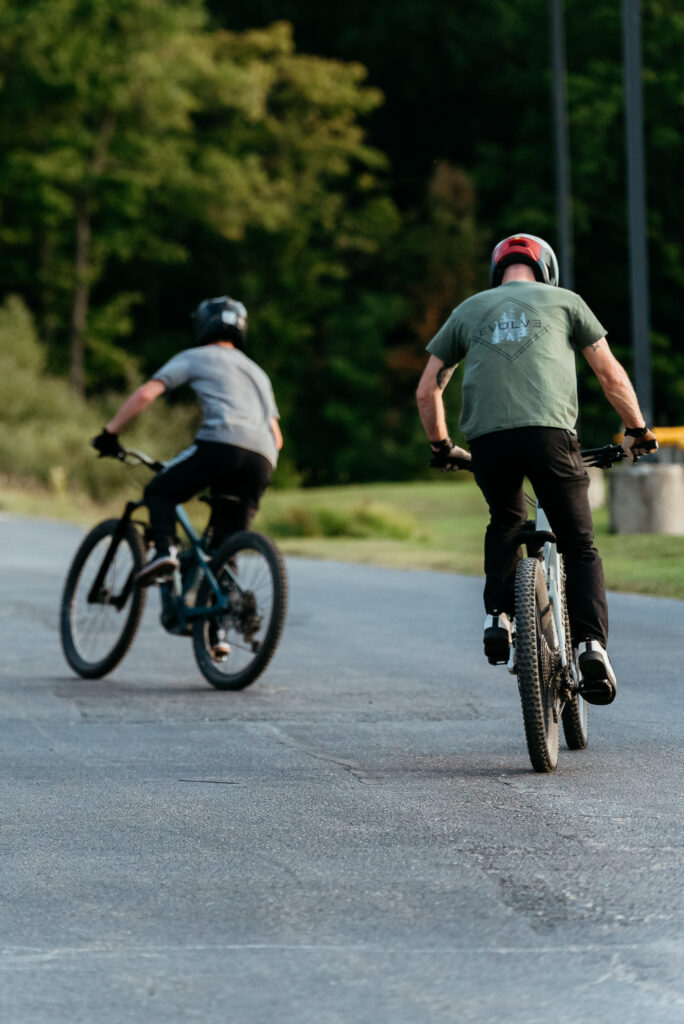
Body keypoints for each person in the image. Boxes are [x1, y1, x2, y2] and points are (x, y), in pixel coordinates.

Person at [416, 233, 657, 705]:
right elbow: (609, 374)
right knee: (579, 545)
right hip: (551, 438)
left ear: (497, 271)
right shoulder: (567, 302)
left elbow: (428, 391)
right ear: (545, 268)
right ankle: (590, 645)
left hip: (488, 442)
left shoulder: (467, 310)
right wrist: (637, 429)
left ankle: (498, 619)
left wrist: (444, 447)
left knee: (505, 521)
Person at [92, 295, 283, 598]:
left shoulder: (197, 356)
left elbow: (145, 394)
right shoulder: (258, 373)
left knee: (160, 490)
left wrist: (110, 433)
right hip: (264, 457)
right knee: (227, 542)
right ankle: (223, 622)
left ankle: (164, 550)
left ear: (204, 324)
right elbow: (277, 435)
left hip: (222, 444)